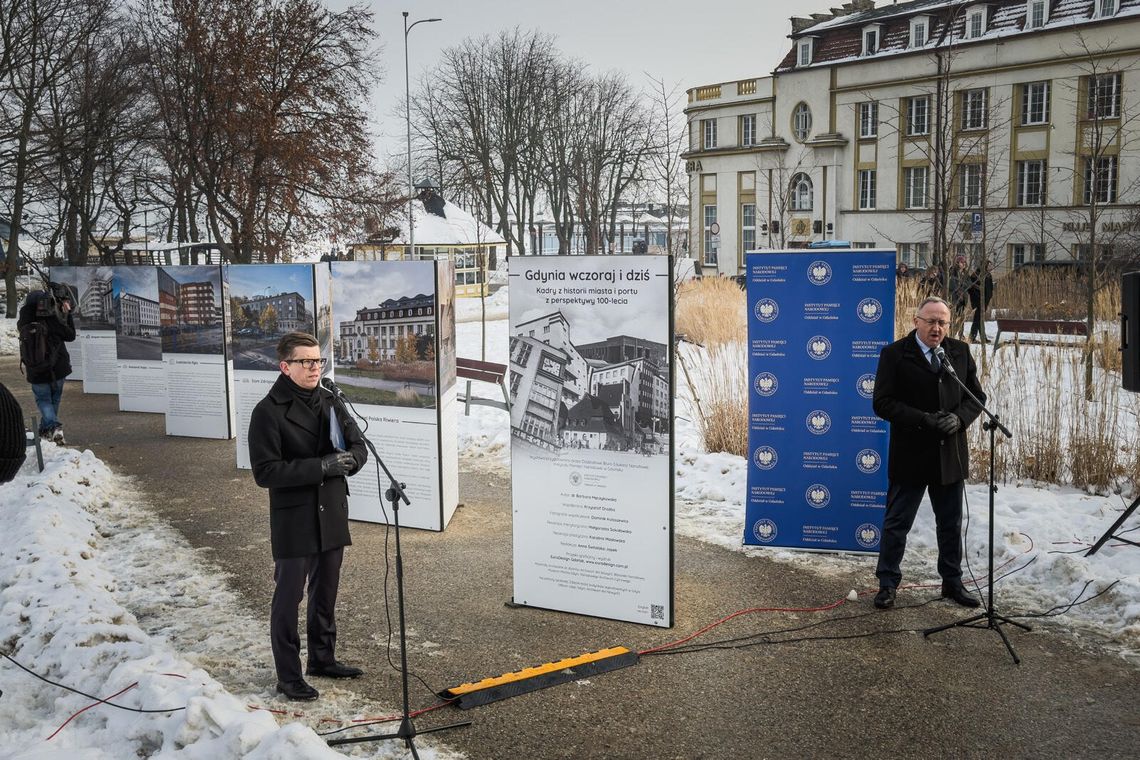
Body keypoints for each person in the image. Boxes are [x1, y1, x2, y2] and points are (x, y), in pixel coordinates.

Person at [248, 332, 368, 701]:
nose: (315, 367)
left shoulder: (331, 399)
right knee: (289, 598)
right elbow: (265, 472)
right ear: (285, 367)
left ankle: (322, 658)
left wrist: (352, 462)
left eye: (318, 360)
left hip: (331, 509)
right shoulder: (267, 411)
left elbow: (357, 444)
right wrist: (321, 466)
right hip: (295, 517)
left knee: (325, 592)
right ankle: (289, 675)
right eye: (306, 361)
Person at [871, 297, 985, 610]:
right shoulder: (894, 354)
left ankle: (952, 582)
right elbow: (882, 402)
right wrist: (922, 419)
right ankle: (888, 584)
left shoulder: (959, 352)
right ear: (916, 320)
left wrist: (960, 418)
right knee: (897, 523)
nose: (937, 328)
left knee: (949, 524)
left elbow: (977, 397)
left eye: (942, 323)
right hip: (910, 454)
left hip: (949, 455)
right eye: (931, 321)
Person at [17, 284, 76, 444]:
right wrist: (67, 313)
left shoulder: (23, 324)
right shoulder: (53, 320)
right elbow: (71, 335)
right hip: (58, 367)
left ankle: (46, 430)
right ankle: (54, 426)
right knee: (53, 400)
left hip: (36, 369)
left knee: (43, 400)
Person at [967, 262, 995, 342]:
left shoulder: (988, 275)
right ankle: (974, 337)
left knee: (979, 319)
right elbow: (971, 289)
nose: (991, 267)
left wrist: (989, 297)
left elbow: (990, 288)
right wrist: (979, 298)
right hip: (978, 301)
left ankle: (976, 337)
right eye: (989, 265)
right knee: (978, 319)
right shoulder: (976, 275)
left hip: (985, 301)